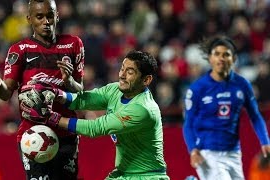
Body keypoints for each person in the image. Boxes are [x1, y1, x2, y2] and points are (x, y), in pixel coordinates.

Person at [19, 50, 170, 179]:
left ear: (146, 80)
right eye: (122, 68)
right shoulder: (115, 90)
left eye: (130, 72)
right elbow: (83, 100)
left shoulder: (142, 109)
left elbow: (96, 127)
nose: (122, 75)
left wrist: (51, 118)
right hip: (123, 174)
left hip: (147, 176)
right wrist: (56, 93)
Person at [0, 0, 85, 179]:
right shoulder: (20, 50)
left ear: (57, 16)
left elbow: (80, 90)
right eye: (39, 17)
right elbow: (6, 93)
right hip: (34, 134)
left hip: (66, 132)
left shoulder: (73, 44)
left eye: (49, 16)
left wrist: (68, 80)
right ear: (29, 19)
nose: (46, 21)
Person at [182, 35, 270, 180]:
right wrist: (193, 150)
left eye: (226, 54)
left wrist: (265, 141)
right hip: (207, 152)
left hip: (234, 153)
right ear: (210, 58)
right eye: (217, 54)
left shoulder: (242, 85)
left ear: (234, 58)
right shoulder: (198, 88)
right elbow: (188, 124)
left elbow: (255, 116)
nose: (221, 58)